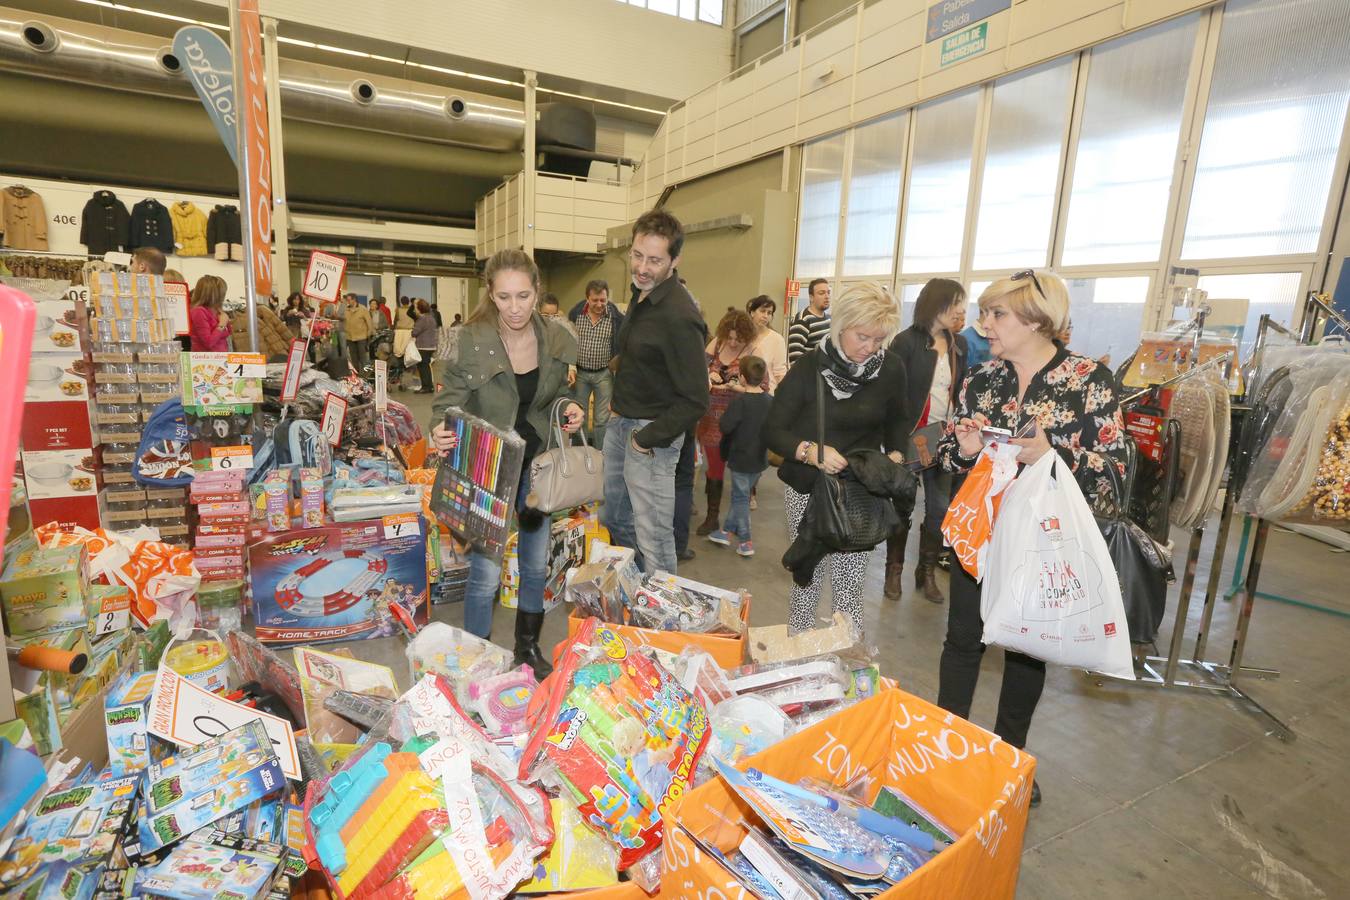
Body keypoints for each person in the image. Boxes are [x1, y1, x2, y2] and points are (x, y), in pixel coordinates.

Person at [936, 270, 1128, 808]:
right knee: (962, 640)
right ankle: (943, 748)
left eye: (997, 314)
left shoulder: (1090, 382)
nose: (984, 324)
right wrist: (968, 450)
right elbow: (951, 456)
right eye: (985, 313)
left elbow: (1116, 472)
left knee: (1026, 651)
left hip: (1043, 542)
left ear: (1038, 319)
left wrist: (1050, 453)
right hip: (983, 536)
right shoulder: (980, 380)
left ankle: (1009, 759)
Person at [429, 249, 583, 678]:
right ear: (490, 295)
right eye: (503, 297)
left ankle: (527, 649)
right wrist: (439, 428)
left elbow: (553, 398)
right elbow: (446, 403)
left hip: (537, 471)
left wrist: (570, 408)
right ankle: (477, 658)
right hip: (488, 471)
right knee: (485, 574)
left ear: (537, 292)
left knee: (535, 566)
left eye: (523, 296)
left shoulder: (555, 338)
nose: (514, 308)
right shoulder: (471, 339)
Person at [762, 282, 907, 633]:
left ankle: (845, 663)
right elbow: (773, 431)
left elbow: (899, 421)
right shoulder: (809, 368)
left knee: (849, 588)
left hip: (861, 493)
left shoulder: (890, 369)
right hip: (809, 489)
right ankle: (799, 658)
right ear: (841, 324)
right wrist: (812, 452)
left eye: (878, 340)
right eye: (862, 337)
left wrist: (897, 456)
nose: (870, 348)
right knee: (806, 580)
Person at [603, 209, 709, 575]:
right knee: (614, 516)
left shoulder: (680, 315)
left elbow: (696, 398)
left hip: (650, 437)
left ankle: (664, 610)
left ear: (674, 260)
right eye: (636, 255)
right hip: (621, 423)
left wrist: (645, 439)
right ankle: (638, 591)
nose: (642, 267)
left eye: (654, 260)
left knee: (655, 537)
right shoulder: (641, 295)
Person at [886, 278, 969, 604]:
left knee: (938, 509)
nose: (962, 311)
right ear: (937, 304)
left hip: (945, 439)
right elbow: (891, 394)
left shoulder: (958, 345)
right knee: (903, 505)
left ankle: (927, 572)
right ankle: (894, 571)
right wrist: (891, 440)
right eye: (956, 303)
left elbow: (960, 391)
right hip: (910, 438)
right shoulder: (905, 342)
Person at [696, 310, 756, 536]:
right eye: (729, 337)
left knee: (741, 475)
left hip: (740, 421)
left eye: (737, 339)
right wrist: (708, 379)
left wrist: (736, 387)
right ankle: (712, 517)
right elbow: (699, 370)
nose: (732, 342)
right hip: (712, 420)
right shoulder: (715, 345)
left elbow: (761, 387)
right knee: (714, 471)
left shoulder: (751, 351)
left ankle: (739, 522)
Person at [708, 356, 772, 557]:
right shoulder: (770, 401)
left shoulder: (740, 402)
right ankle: (725, 532)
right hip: (760, 458)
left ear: (742, 378)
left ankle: (745, 541)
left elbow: (725, 426)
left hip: (739, 458)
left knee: (740, 498)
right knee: (741, 497)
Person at [567, 279, 624, 450]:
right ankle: (579, 452)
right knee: (578, 416)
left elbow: (622, 344)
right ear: (587, 298)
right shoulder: (575, 314)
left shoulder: (616, 318)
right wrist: (570, 366)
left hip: (603, 374)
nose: (599, 304)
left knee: (602, 419)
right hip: (581, 373)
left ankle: (601, 455)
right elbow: (568, 340)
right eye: (595, 300)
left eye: (603, 300)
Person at [746, 295, 788, 391]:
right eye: (762, 311)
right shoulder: (743, 337)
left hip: (767, 393)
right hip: (742, 391)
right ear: (752, 312)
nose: (765, 316)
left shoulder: (777, 339)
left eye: (769, 313)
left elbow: (780, 373)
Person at [787, 278, 831, 363]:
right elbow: (794, 358)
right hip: (811, 374)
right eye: (821, 293)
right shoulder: (802, 320)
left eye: (828, 292)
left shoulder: (829, 319)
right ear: (811, 297)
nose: (827, 296)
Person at [188, 275, 231, 351]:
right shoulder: (199, 312)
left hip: (220, 357)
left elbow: (229, 332)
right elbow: (208, 342)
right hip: (205, 359)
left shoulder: (217, 310)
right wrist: (221, 325)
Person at [411, 298, 438, 393]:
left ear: (420, 308)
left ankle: (426, 387)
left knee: (422, 367)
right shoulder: (431, 317)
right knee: (426, 366)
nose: (415, 310)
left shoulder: (422, 319)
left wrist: (412, 331)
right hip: (431, 345)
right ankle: (429, 386)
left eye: (416, 307)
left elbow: (415, 332)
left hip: (423, 346)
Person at [344, 294, 373, 373]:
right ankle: (356, 374)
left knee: (363, 358)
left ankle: (366, 374)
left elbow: (369, 322)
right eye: (347, 300)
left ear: (354, 300)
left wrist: (369, 334)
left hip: (361, 337)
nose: (348, 301)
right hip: (350, 337)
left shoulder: (363, 309)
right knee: (354, 358)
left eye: (349, 300)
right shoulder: (346, 310)